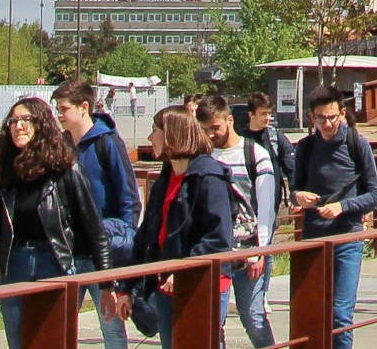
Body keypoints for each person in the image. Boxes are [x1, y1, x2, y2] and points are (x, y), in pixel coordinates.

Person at [0, 96, 108, 349]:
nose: (18, 126)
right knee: (18, 341)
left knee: (53, 341)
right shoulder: (6, 174)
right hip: (16, 265)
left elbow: (95, 230)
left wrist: (107, 284)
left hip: (54, 262)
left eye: (26, 120)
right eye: (13, 121)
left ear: (42, 125)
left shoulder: (66, 170)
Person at [286, 89, 377, 349]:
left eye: (331, 117)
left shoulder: (355, 143)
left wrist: (343, 206)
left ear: (342, 113)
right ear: (311, 118)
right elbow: (293, 193)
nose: (327, 124)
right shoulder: (305, 148)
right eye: (320, 119)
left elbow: (376, 194)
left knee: (340, 316)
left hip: (347, 238)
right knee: (312, 313)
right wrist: (299, 197)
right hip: (313, 240)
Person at [129, 109, 227, 349]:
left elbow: (218, 237)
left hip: (200, 283)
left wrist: (184, 270)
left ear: (173, 134)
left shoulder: (207, 174)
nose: (150, 137)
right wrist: (126, 285)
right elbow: (148, 232)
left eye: (155, 130)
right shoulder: (167, 175)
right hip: (166, 283)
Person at [54, 80, 139, 349]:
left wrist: (121, 242)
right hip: (68, 253)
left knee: (111, 328)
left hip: (101, 254)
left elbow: (129, 198)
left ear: (83, 108)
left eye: (63, 109)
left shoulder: (107, 142)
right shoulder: (61, 146)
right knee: (60, 329)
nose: (59, 114)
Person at [199, 97, 278, 349]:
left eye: (215, 128)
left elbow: (266, 208)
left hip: (248, 251)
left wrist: (260, 252)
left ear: (229, 120)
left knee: (253, 318)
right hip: (216, 253)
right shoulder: (204, 156)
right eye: (205, 130)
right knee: (214, 323)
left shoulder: (255, 153)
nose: (211, 135)